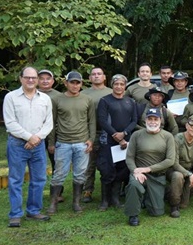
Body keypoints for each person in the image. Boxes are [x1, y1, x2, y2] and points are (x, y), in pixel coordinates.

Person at [3, 67, 53, 227]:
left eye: (33, 77)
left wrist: (36, 138)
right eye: (27, 77)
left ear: (37, 80)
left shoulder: (45, 99)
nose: (31, 80)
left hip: (38, 144)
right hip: (17, 144)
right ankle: (15, 214)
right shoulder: (11, 97)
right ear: (21, 79)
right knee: (16, 179)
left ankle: (33, 211)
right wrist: (29, 137)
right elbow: (10, 123)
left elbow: (49, 123)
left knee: (39, 179)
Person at [48, 71, 96, 214]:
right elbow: (52, 122)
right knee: (59, 174)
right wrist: (51, 142)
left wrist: (91, 139)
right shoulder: (57, 99)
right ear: (66, 83)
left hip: (82, 142)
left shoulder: (87, 100)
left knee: (80, 174)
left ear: (81, 84)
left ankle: (76, 202)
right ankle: (53, 203)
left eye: (78, 83)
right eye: (72, 82)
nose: (75, 85)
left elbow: (92, 121)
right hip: (63, 142)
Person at [124, 108, 177, 226]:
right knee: (134, 184)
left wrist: (148, 169)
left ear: (160, 120)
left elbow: (170, 160)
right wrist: (135, 171)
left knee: (157, 212)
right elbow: (129, 157)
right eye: (150, 119)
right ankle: (133, 215)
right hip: (139, 173)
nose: (152, 122)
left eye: (155, 119)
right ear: (145, 120)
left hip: (157, 175)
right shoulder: (136, 135)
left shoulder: (168, 136)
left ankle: (146, 198)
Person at [96, 74, 138, 211]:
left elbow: (134, 121)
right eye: (116, 84)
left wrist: (124, 134)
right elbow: (102, 120)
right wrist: (116, 135)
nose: (119, 87)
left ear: (125, 86)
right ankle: (104, 201)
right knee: (107, 170)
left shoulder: (130, 102)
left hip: (126, 141)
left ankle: (115, 199)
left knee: (122, 170)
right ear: (112, 85)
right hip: (109, 141)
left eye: (121, 84)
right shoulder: (105, 101)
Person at [81, 67, 113, 203]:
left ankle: (110, 191)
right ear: (89, 78)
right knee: (89, 163)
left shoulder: (112, 92)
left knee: (109, 163)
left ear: (104, 77)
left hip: (109, 132)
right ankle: (87, 190)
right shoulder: (83, 94)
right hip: (90, 132)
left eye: (99, 74)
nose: (96, 76)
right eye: (93, 74)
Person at [166, 114, 193, 217]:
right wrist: (189, 174)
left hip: (188, 172)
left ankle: (170, 193)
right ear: (187, 126)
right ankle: (174, 206)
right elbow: (174, 162)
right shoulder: (177, 139)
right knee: (178, 176)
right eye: (192, 126)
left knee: (185, 204)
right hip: (174, 170)